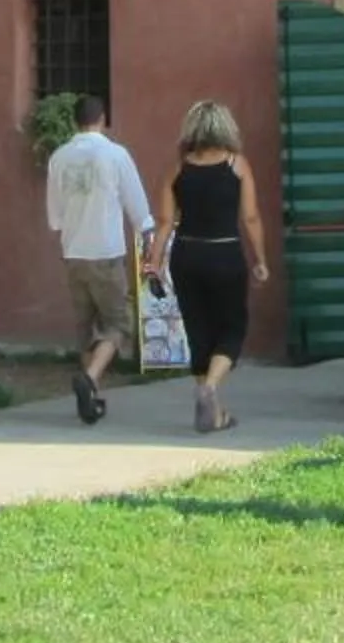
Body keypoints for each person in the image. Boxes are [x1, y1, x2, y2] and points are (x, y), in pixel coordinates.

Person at [143, 100, 269, 434]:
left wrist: (153, 263)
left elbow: (165, 221)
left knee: (198, 331)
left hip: (186, 256)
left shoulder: (177, 169)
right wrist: (260, 260)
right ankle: (210, 388)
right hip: (225, 254)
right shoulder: (236, 166)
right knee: (232, 328)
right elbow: (251, 217)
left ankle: (215, 412)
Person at [45, 93, 155, 426]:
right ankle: (90, 379)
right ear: (103, 118)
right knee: (117, 323)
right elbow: (135, 201)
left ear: (74, 120)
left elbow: (55, 214)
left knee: (86, 327)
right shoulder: (115, 154)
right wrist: (147, 232)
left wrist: (65, 226)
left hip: (73, 251)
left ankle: (89, 399)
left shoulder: (59, 158)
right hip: (106, 251)